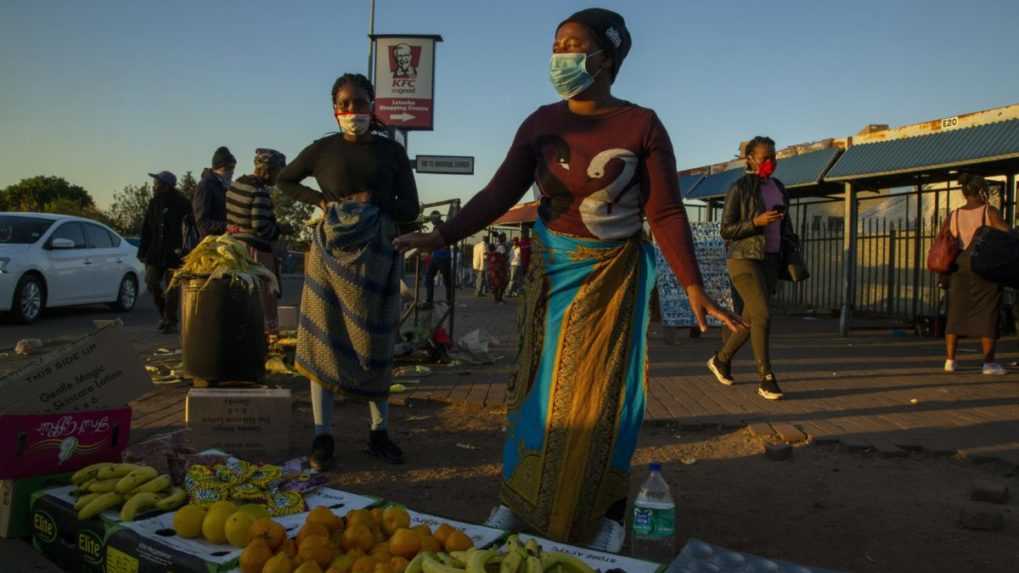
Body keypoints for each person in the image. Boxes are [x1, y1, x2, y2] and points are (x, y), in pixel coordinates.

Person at [394, 8, 741, 551]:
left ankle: (607, 510)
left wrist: (694, 287)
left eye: (572, 44)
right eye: (556, 44)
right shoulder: (540, 123)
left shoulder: (641, 124)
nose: (560, 56)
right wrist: (441, 237)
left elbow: (667, 213)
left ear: (605, 57)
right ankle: (517, 499)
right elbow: (496, 195)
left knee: (602, 397)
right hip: (553, 273)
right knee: (537, 391)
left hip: (613, 280)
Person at [277, 73, 420, 470]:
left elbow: (411, 208)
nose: (352, 111)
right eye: (345, 104)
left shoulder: (391, 153)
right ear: (334, 109)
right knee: (323, 340)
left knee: (374, 344)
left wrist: (374, 203)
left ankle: (379, 432)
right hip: (328, 258)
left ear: (373, 106)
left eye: (360, 103)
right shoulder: (322, 150)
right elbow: (284, 180)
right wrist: (321, 201)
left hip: (376, 257)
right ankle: (322, 435)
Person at [707, 136, 797, 401]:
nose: (770, 162)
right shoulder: (739, 187)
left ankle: (721, 360)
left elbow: (785, 225)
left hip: (771, 259)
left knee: (751, 319)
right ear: (750, 159)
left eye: (773, 157)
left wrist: (790, 249)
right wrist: (755, 222)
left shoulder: (779, 187)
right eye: (765, 157)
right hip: (744, 259)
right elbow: (726, 229)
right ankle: (766, 378)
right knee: (764, 315)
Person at [944, 173, 1010, 375]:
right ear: (982, 191)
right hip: (983, 265)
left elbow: (946, 237)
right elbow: (1005, 230)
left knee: (955, 313)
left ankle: (950, 361)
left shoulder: (953, 215)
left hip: (959, 267)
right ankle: (989, 363)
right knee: (989, 312)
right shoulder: (989, 211)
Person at [225, 148, 287, 339]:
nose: (278, 178)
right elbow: (260, 226)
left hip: (234, 248)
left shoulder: (235, 185)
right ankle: (264, 339)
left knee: (242, 297)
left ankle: (242, 335)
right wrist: (280, 229)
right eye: (278, 172)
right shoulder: (259, 192)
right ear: (268, 171)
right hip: (255, 252)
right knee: (263, 298)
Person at [138, 171, 192, 334]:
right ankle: (163, 314)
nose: (154, 186)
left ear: (167, 186)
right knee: (151, 282)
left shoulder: (182, 203)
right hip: (155, 252)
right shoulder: (154, 203)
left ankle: (170, 321)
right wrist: (143, 251)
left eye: (158, 183)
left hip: (174, 254)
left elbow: (189, 230)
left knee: (172, 289)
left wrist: (185, 251)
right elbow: (147, 228)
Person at [193, 146, 237, 239]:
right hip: (211, 244)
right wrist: (225, 226)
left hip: (226, 241)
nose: (232, 171)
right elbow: (202, 223)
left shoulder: (225, 186)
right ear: (218, 167)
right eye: (228, 168)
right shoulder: (205, 186)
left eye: (233, 168)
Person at [423, 211, 453, 307]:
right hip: (436, 257)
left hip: (443, 257)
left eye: (432, 219)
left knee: (446, 280)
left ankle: (448, 300)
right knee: (429, 278)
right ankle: (429, 301)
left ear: (436, 219)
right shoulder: (437, 226)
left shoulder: (442, 227)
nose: (431, 221)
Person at [487, 233, 510, 303]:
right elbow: (503, 257)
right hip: (499, 268)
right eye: (504, 237)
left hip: (495, 268)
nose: (506, 238)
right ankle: (498, 298)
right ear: (502, 238)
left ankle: (497, 298)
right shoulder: (501, 247)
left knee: (497, 283)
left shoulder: (498, 246)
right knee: (502, 283)